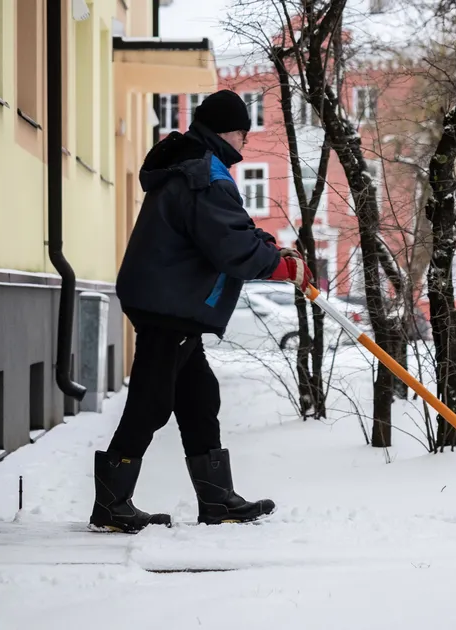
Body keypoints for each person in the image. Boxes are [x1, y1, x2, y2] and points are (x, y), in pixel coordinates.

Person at [89, 90, 311, 533]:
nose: (245, 142)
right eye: (243, 133)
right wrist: (280, 266)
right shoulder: (205, 174)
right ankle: (112, 505)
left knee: (199, 398)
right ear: (228, 131)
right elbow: (230, 246)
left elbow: (229, 229)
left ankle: (217, 500)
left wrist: (269, 249)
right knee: (151, 401)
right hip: (169, 302)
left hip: (170, 299)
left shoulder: (197, 165)